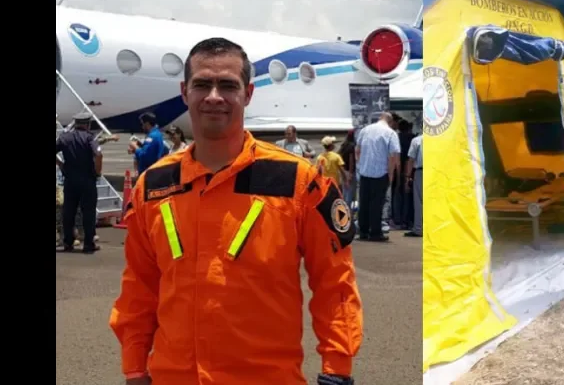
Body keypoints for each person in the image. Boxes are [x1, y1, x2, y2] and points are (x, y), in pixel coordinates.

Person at [109, 37, 362, 385]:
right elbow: (139, 286)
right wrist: (135, 366)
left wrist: (337, 368)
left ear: (248, 93)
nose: (214, 96)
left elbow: (335, 283)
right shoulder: (153, 186)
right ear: (185, 92)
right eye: (202, 84)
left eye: (227, 85)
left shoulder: (299, 182)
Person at [55, 111, 103, 253]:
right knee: (88, 212)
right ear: (87, 125)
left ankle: (68, 243)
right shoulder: (90, 138)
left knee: (68, 212)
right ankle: (88, 245)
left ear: (75, 124)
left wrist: (60, 164)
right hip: (87, 180)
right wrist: (98, 171)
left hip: (70, 180)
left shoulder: (65, 137)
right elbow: (99, 154)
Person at [355, 112, 400, 242]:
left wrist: (361, 164)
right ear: (390, 122)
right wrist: (391, 175)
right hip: (381, 173)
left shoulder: (365, 130)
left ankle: (363, 232)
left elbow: (357, 150)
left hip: (364, 172)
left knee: (364, 203)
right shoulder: (391, 133)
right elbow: (393, 157)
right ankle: (375, 232)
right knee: (377, 204)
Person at [404, 131, 423, 238]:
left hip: (421, 171)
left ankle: (418, 228)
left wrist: (408, 178)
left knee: (419, 201)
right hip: (436, 172)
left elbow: (411, 160)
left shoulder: (417, 140)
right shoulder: (438, 139)